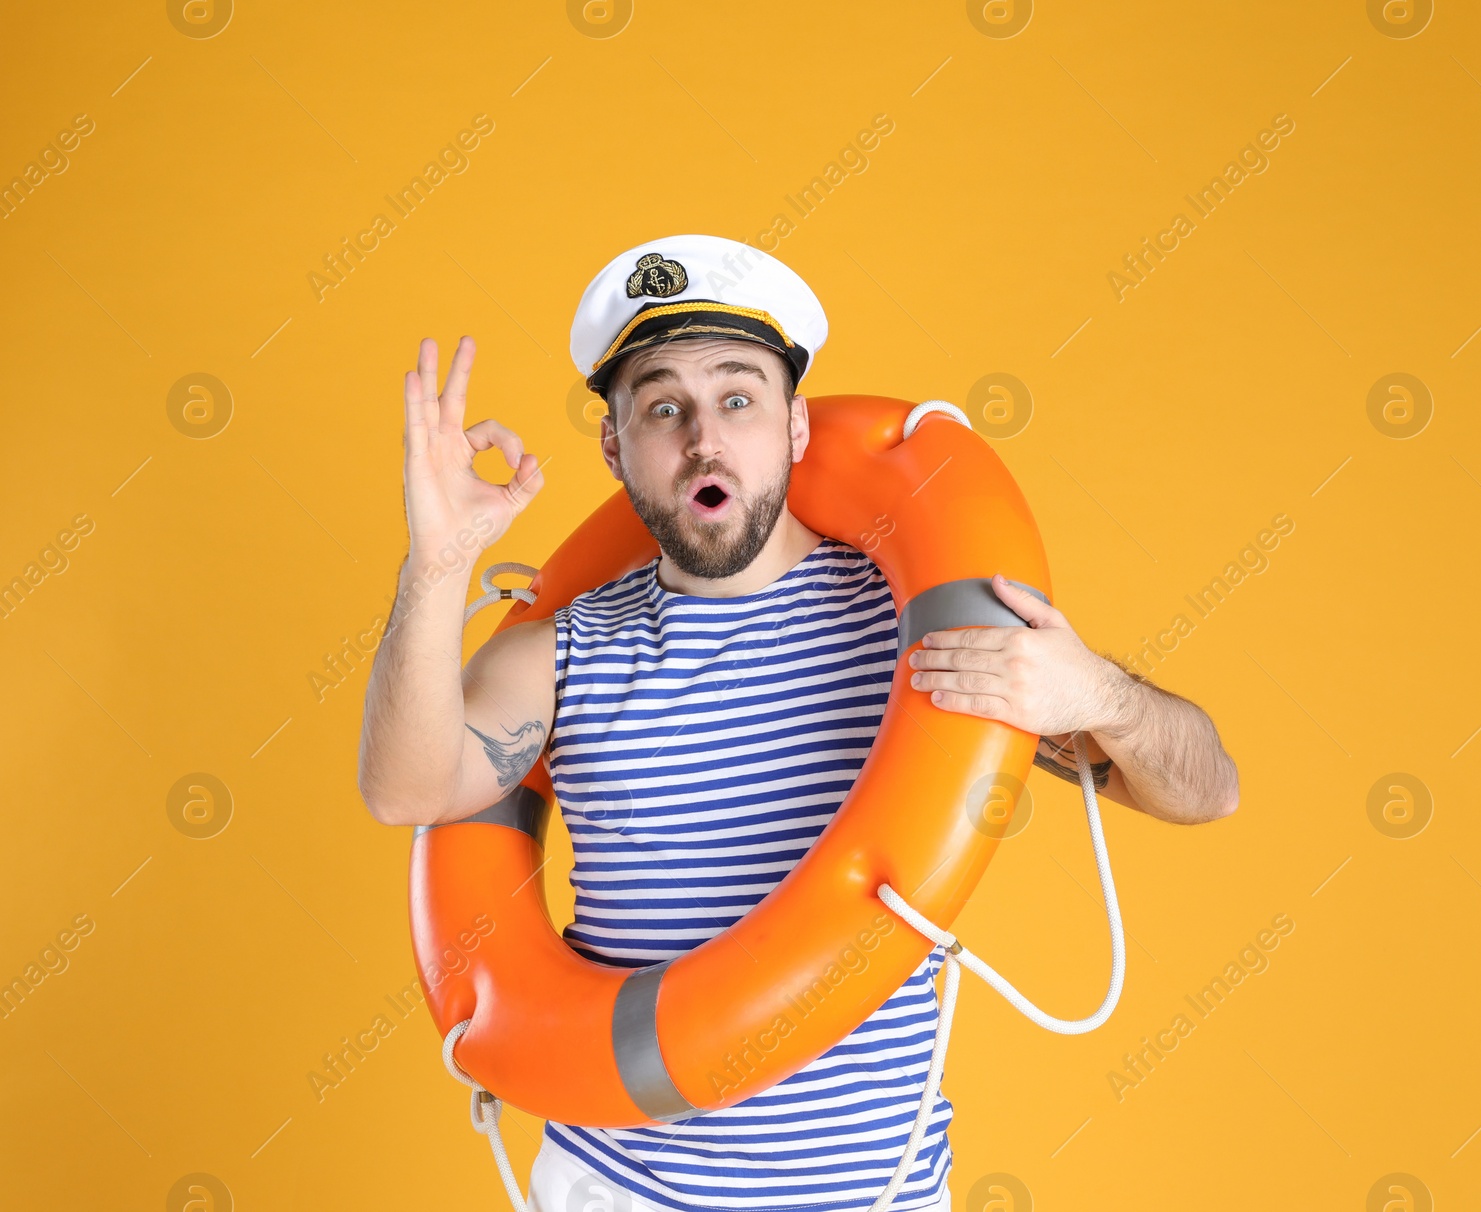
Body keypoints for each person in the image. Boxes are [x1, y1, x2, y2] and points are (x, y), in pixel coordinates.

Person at [358, 234, 1239, 1212]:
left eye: (738, 398)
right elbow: (405, 789)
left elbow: (1207, 791)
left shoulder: (921, 626)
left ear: (796, 428)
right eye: (662, 408)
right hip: (615, 1195)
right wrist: (435, 564)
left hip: (878, 1196)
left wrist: (1102, 698)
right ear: (614, 448)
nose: (704, 438)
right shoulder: (556, 655)